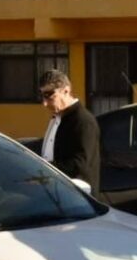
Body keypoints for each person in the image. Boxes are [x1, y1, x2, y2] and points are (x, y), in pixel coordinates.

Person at [37, 69, 101, 197]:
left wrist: (47, 170)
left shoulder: (83, 121)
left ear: (65, 91)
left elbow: (80, 164)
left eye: (50, 95)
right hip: (57, 192)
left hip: (78, 197)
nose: (45, 103)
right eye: (42, 96)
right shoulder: (58, 117)